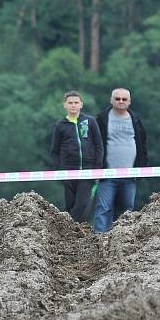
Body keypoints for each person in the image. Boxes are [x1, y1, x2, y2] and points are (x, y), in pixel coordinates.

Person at [93, 87, 148, 233]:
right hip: (106, 175)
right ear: (111, 100)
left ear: (129, 101)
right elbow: (95, 145)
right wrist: (97, 168)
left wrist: (142, 167)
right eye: (117, 99)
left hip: (130, 175)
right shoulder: (101, 119)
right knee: (103, 209)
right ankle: (99, 241)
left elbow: (143, 144)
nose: (120, 101)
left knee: (126, 211)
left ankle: (123, 240)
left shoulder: (136, 119)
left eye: (124, 99)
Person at [51, 90, 104, 223]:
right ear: (65, 105)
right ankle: (73, 237)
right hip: (68, 171)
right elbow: (54, 151)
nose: (73, 105)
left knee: (82, 203)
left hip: (88, 170)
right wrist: (59, 171)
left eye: (76, 102)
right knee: (70, 205)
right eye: (70, 103)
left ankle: (66, 226)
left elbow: (99, 145)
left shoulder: (90, 121)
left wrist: (97, 168)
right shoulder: (60, 125)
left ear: (81, 104)